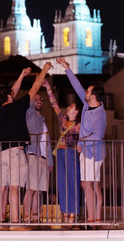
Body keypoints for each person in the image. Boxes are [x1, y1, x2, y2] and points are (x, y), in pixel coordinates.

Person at [0, 62, 52, 226]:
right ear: (9, 96)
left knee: (0, 188)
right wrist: (44, 70)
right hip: (16, 152)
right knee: (14, 187)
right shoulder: (18, 106)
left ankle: (0, 220)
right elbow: (35, 87)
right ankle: (15, 221)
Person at [57, 57, 107, 224]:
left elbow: (98, 135)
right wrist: (66, 68)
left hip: (91, 152)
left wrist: (81, 142)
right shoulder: (87, 105)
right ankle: (96, 218)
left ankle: (92, 219)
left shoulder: (99, 114)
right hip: (90, 151)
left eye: (87, 91)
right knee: (95, 185)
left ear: (93, 96)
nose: (84, 92)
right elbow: (77, 86)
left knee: (87, 185)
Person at [42, 79, 81, 228]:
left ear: (76, 111)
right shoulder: (63, 120)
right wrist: (48, 89)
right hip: (61, 153)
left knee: (73, 182)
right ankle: (65, 213)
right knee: (62, 183)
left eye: (72, 106)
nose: (69, 106)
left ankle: (73, 214)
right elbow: (54, 105)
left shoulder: (79, 125)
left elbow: (85, 137)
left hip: (72, 153)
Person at [22, 93, 53, 224]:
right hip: (32, 154)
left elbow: (47, 141)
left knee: (39, 190)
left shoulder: (43, 119)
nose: (39, 101)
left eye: (41, 99)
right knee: (31, 189)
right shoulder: (30, 115)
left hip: (43, 157)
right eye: (36, 99)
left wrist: (50, 161)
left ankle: (36, 218)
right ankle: (26, 217)